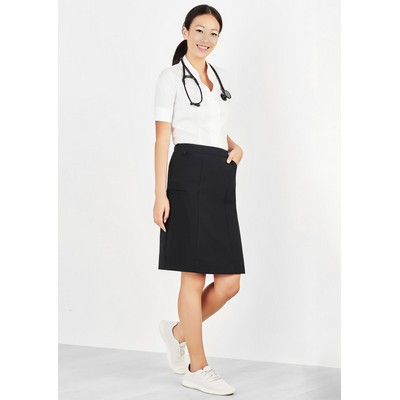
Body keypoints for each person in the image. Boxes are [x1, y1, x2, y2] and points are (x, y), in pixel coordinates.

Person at [153, 4, 245, 396]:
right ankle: (197, 366)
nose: (206, 39)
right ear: (185, 31)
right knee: (193, 275)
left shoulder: (218, 79)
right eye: (199, 30)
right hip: (188, 176)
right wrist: (160, 194)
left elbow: (214, 126)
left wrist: (235, 148)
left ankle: (177, 333)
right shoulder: (170, 77)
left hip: (220, 179)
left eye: (213, 33)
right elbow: (163, 138)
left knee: (229, 283)